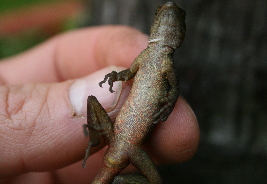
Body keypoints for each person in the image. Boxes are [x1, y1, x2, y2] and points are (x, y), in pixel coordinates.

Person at [0, 26, 200, 184]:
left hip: (126, 145)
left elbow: (173, 90)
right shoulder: (147, 56)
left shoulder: (162, 62)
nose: (169, 10)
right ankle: (94, 139)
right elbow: (128, 74)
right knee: (92, 100)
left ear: (179, 34)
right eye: (159, 13)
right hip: (115, 138)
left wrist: (169, 102)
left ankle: (120, 180)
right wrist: (115, 76)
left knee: (155, 180)